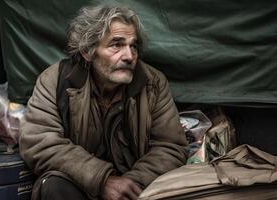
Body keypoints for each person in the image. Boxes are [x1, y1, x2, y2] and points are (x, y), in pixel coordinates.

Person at [19, 4, 188, 200]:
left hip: (136, 186)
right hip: (80, 183)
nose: (129, 56)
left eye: (133, 46)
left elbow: (171, 146)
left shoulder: (152, 83)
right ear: (88, 51)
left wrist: (129, 185)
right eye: (117, 45)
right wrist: (103, 181)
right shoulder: (55, 80)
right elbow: (40, 142)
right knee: (54, 186)